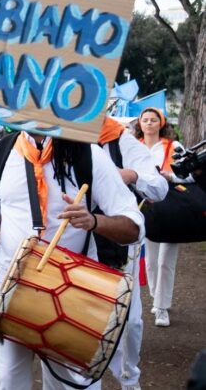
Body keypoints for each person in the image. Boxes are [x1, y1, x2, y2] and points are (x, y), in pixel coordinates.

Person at [0, 131, 143, 390]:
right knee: (9, 381)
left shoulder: (87, 154)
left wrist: (94, 220)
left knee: (72, 386)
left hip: (74, 296)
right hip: (9, 290)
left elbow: (134, 227)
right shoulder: (0, 152)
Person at [98, 116, 168, 390]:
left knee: (129, 321)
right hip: (71, 241)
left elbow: (159, 187)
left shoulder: (118, 139)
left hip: (117, 241)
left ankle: (129, 380)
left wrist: (132, 175)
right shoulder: (52, 139)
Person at [134, 106, 193, 328]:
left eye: (153, 119)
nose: (149, 123)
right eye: (145, 119)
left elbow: (189, 175)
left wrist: (168, 175)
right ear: (139, 124)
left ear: (161, 123)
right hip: (146, 209)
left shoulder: (174, 146)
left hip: (173, 208)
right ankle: (156, 295)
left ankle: (161, 307)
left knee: (165, 260)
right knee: (150, 261)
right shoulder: (133, 147)